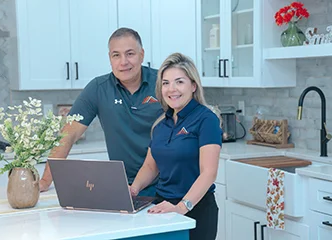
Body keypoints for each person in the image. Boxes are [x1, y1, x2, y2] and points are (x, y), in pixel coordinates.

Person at [39, 28, 163, 196]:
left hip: (168, 183)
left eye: (130, 54)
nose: (123, 62)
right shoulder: (98, 88)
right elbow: (68, 135)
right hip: (125, 188)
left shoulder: (163, 83)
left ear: (142, 55)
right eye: (116, 55)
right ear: (110, 58)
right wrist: (45, 181)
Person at [130, 53, 222, 240]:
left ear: (193, 86)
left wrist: (181, 207)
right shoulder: (160, 125)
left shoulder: (207, 120)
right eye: (166, 83)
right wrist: (133, 189)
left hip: (196, 209)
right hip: (163, 208)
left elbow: (208, 173)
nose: (172, 89)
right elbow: (150, 166)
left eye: (179, 82)